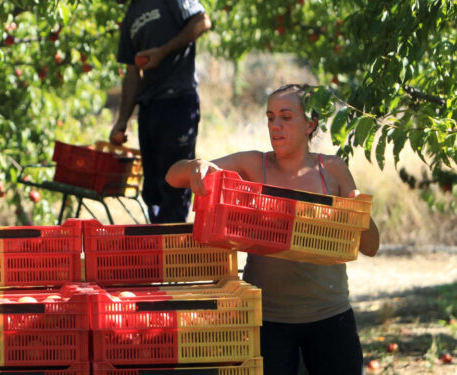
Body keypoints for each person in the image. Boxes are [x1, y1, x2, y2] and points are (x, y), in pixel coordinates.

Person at [165, 84, 381, 375]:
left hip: (330, 317)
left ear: (310, 124)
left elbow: (371, 246)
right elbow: (172, 175)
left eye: (286, 117)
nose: (275, 125)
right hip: (268, 320)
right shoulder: (255, 166)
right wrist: (198, 166)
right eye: (270, 117)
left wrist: (359, 213)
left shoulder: (332, 170)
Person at [109, 0, 211, 223]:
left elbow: (202, 21)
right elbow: (132, 72)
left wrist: (163, 52)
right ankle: (159, 246)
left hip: (178, 101)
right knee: (153, 191)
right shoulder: (130, 16)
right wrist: (122, 121)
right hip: (150, 106)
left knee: (175, 188)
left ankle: (173, 250)